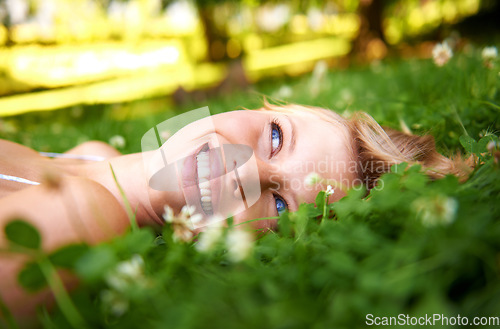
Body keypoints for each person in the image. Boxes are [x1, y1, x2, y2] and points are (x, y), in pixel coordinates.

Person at [0, 102, 471, 322]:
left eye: (282, 206)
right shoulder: (91, 155)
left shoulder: (84, 218)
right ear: (262, 106)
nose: (248, 168)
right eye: (276, 137)